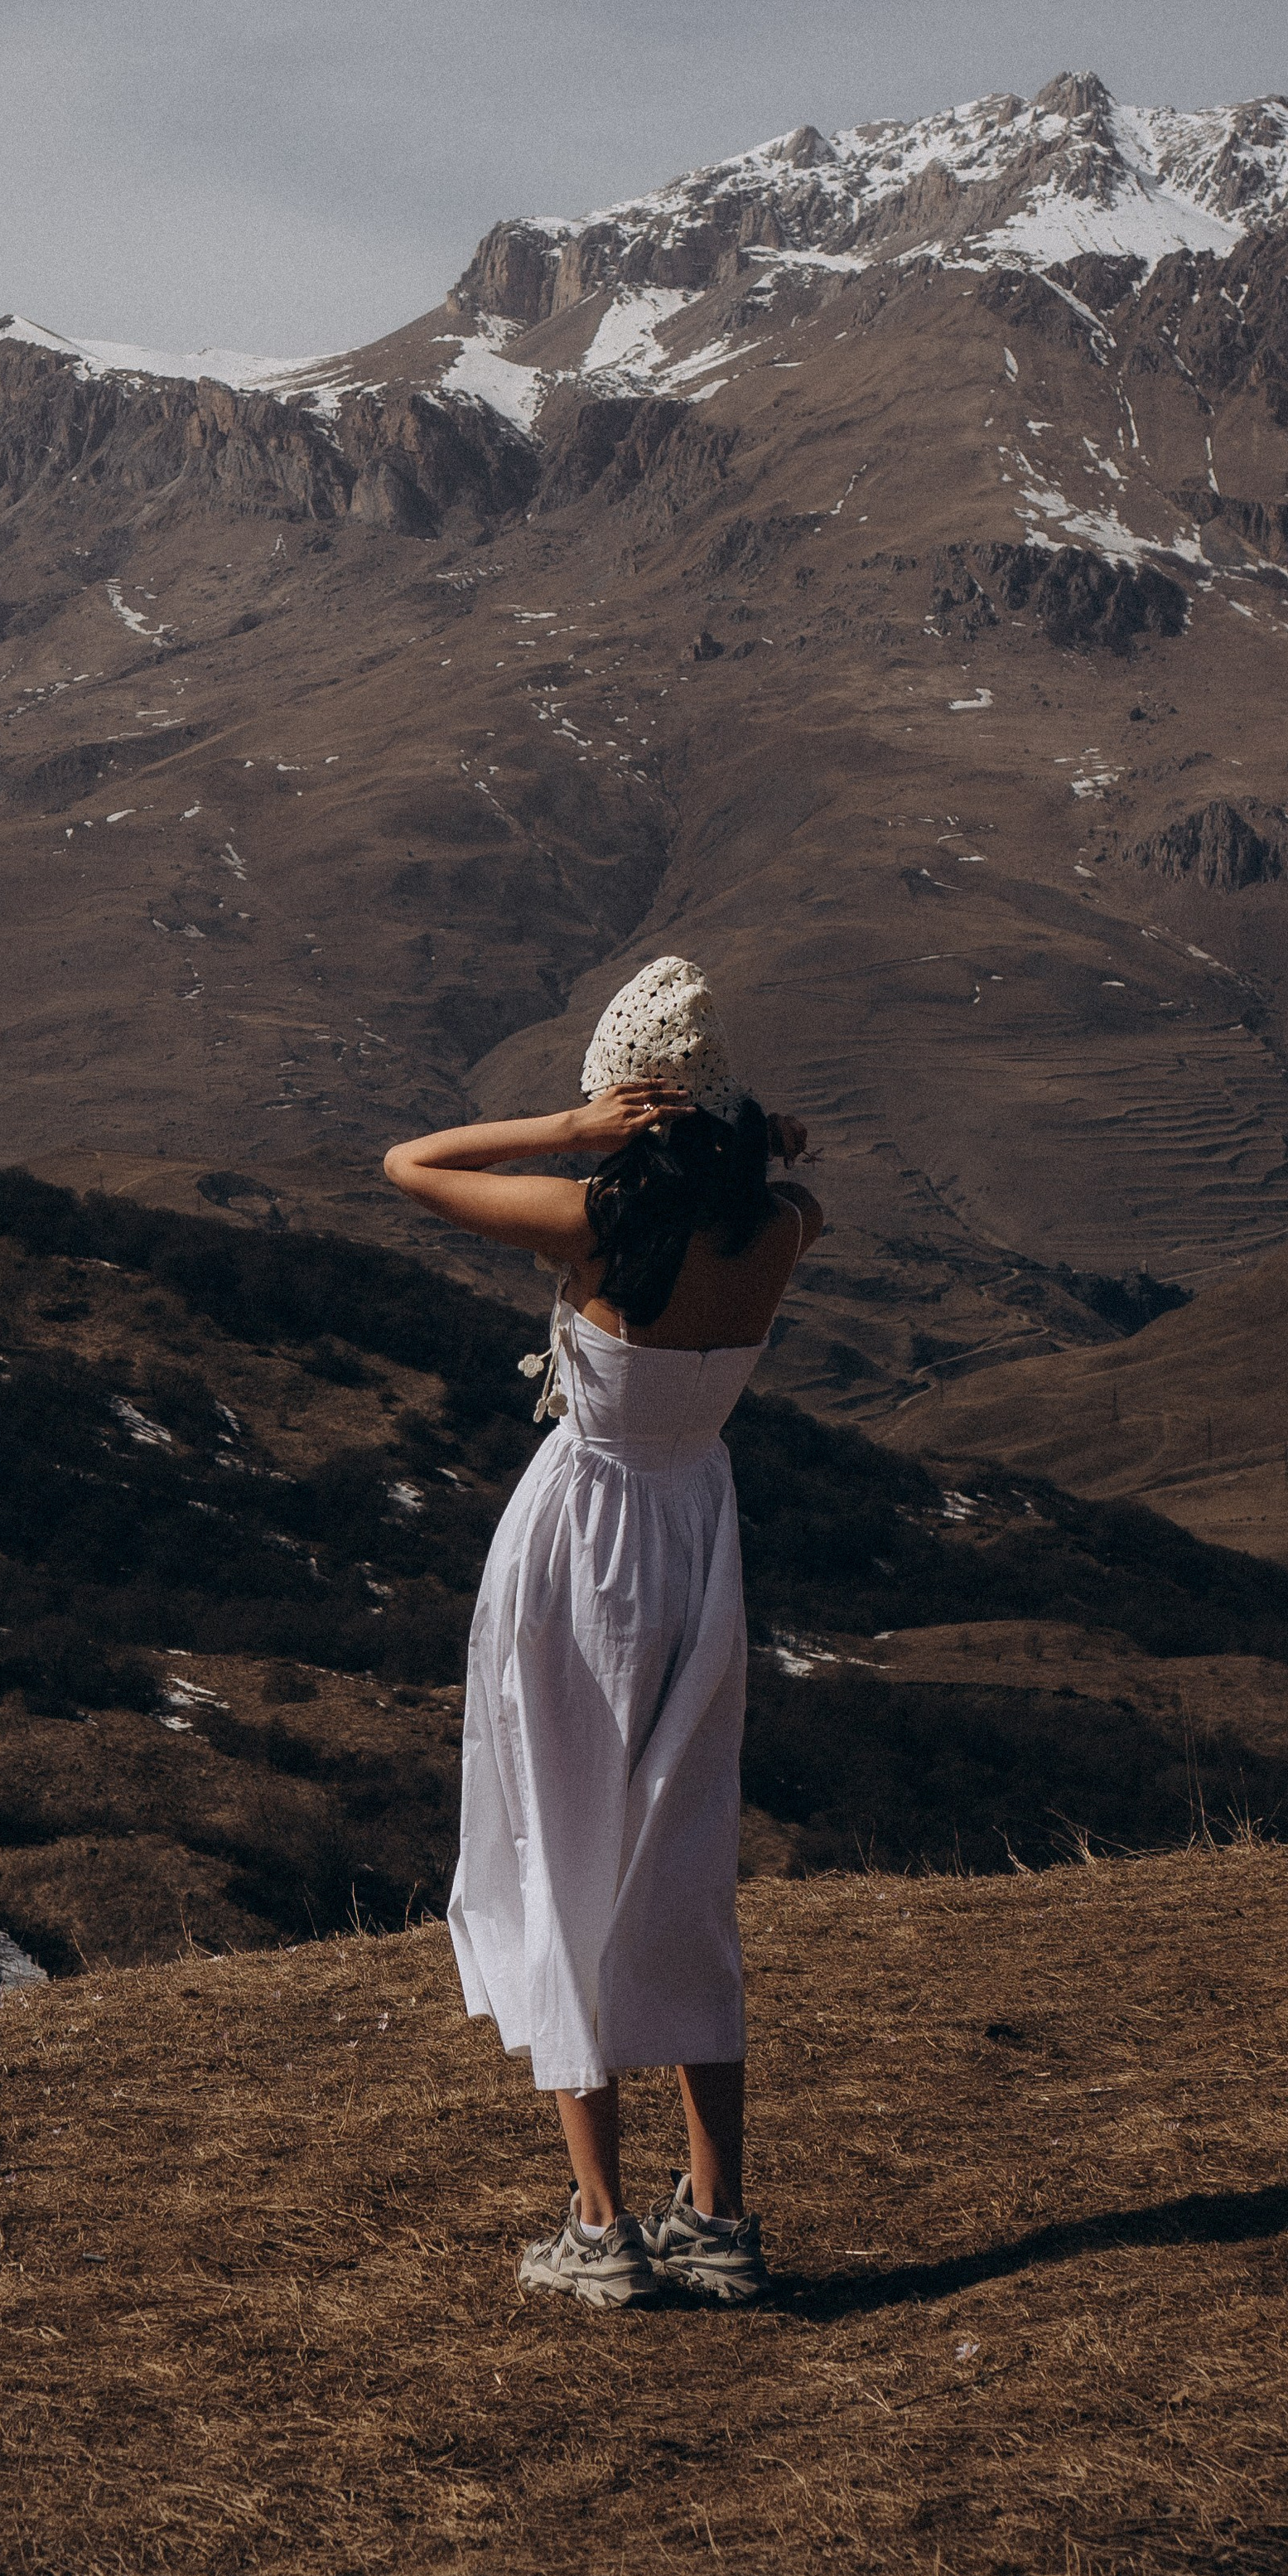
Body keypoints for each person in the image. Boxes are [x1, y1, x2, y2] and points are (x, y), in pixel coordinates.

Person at [384, 956, 821, 2308]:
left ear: (627, 1107)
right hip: (698, 1537)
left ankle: (601, 2223)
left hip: (580, 1542)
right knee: (684, 1867)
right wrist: (753, 1138)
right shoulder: (780, 1226)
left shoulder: (591, 1224)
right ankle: (719, 2216)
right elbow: (794, 1179)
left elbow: (409, 1164)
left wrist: (570, 1130)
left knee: (558, 1847)